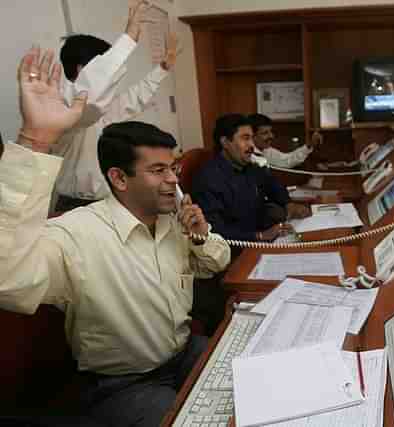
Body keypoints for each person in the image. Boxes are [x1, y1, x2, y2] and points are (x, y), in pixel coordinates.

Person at [1, 46, 230, 427]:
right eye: (158, 170)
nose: (174, 179)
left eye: (173, 167)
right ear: (119, 178)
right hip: (123, 383)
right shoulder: (77, 233)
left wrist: (201, 235)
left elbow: (218, 263)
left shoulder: (171, 221)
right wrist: (36, 139)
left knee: (245, 382)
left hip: (182, 350)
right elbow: (9, 278)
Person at [50, 0, 179, 212]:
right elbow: (93, 95)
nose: (111, 76)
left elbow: (132, 99)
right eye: (104, 63)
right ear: (83, 68)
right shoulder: (65, 106)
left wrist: (162, 69)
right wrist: (129, 38)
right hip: (77, 206)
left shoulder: (96, 109)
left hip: (107, 201)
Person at [191, 114, 311, 247]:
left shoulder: (248, 167)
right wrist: (259, 236)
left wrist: (288, 204)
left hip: (263, 237)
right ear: (225, 142)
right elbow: (215, 231)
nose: (252, 145)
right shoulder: (208, 178)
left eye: (252, 139)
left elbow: (272, 184)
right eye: (245, 138)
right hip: (238, 250)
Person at [248, 113, 322, 169]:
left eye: (271, 132)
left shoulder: (266, 150)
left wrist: (310, 144)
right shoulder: (248, 156)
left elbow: (286, 160)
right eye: (265, 133)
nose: (271, 136)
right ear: (252, 136)